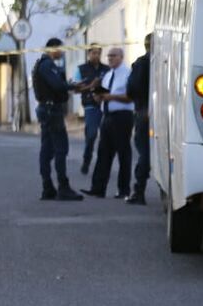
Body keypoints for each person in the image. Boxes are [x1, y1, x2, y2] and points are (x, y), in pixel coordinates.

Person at [32, 38, 86, 201]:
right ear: (53, 49)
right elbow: (57, 85)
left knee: (47, 149)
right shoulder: (47, 64)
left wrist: (69, 86)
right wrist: (74, 86)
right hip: (51, 110)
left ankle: (47, 187)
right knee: (60, 149)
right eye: (61, 49)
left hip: (46, 109)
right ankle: (63, 187)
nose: (62, 53)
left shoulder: (41, 64)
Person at [82, 47, 134, 199]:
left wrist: (110, 97)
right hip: (107, 116)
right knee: (103, 152)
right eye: (109, 56)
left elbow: (130, 97)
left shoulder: (127, 74)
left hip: (122, 116)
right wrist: (97, 96)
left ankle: (123, 190)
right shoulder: (107, 75)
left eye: (114, 56)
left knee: (123, 154)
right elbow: (101, 96)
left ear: (121, 57)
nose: (110, 59)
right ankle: (98, 188)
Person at [72, 44, 110, 175]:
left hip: (105, 106)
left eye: (98, 53)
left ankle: (102, 166)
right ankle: (86, 160)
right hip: (90, 106)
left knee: (106, 138)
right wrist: (91, 86)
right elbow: (76, 90)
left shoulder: (107, 69)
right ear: (88, 54)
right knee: (91, 135)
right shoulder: (81, 69)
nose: (96, 55)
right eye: (93, 53)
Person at [125, 34, 153, 205]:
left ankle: (139, 190)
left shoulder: (141, 63)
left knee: (144, 151)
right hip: (163, 111)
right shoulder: (168, 62)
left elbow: (131, 89)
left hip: (143, 111)